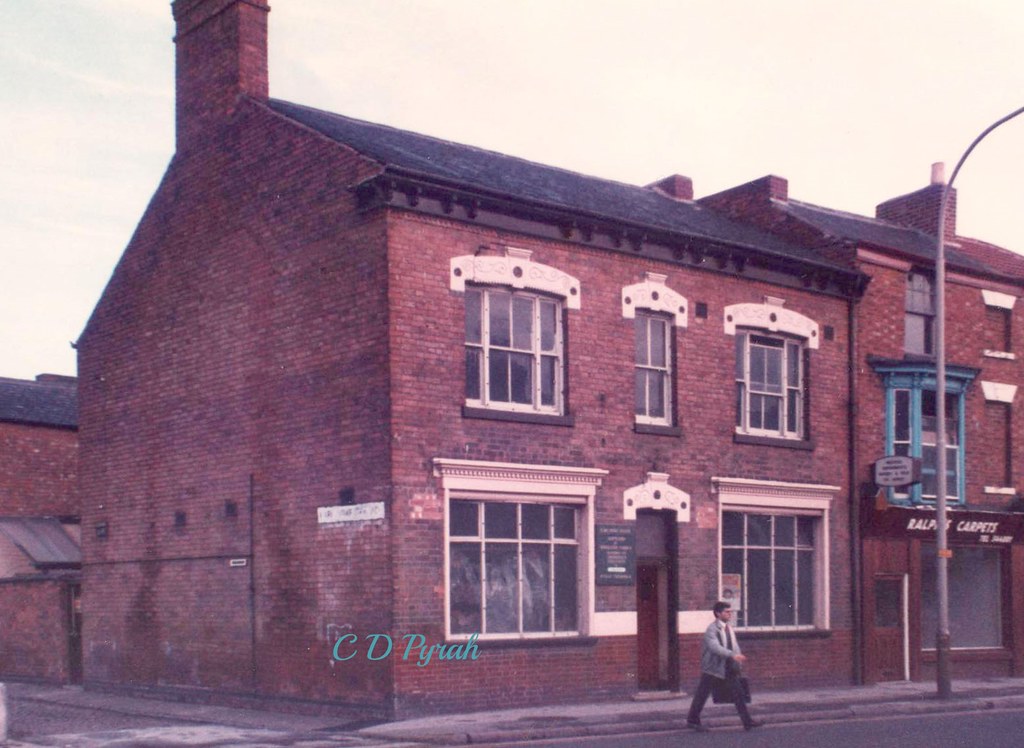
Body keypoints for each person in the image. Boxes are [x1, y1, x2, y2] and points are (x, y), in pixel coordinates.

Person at [686, 601, 764, 732]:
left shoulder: (729, 628)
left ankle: (747, 722)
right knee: (702, 694)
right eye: (727, 612)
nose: (730, 614)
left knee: (739, 694)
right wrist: (732, 655)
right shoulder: (712, 629)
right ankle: (692, 720)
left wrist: (737, 659)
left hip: (728, 667)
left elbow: (734, 645)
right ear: (718, 613)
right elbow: (714, 647)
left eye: (730, 612)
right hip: (713, 668)